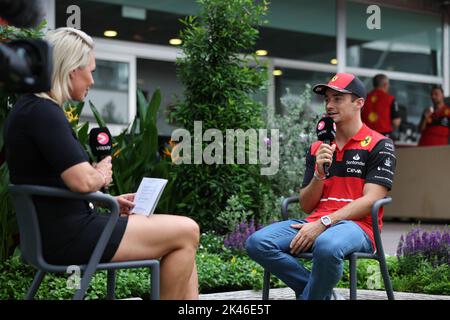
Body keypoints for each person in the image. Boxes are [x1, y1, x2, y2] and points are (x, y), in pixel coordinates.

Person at [3, 28, 199, 300]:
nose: (92, 80)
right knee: (187, 230)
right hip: (69, 237)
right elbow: (82, 181)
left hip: (59, 232)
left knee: (183, 240)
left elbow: (52, 184)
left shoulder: (29, 109)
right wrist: (100, 174)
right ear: (71, 69)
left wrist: (108, 201)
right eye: (91, 71)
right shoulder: (43, 112)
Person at [246, 73, 396, 300]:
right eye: (327, 99)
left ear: (359, 103)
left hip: (358, 228)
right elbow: (307, 205)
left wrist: (324, 223)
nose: (329, 105)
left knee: (326, 245)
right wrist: (319, 173)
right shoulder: (319, 147)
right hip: (314, 221)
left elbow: (371, 200)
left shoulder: (379, 144)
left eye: (337, 98)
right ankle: (324, 295)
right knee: (257, 243)